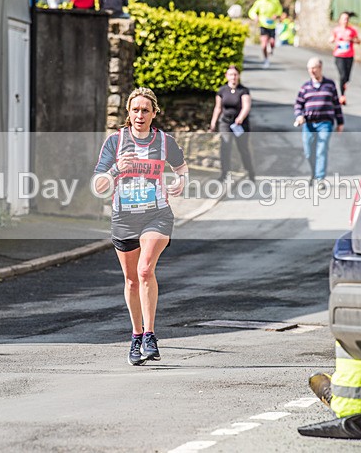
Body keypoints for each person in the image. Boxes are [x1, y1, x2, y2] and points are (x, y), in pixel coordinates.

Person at [93, 88, 188, 366]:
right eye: (135, 110)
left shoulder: (164, 141)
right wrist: (115, 170)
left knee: (145, 269)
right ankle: (136, 335)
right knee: (132, 280)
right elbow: (98, 187)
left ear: (154, 113)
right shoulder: (115, 142)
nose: (140, 115)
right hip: (124, 218)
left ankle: (150, 335)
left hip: (156, 215)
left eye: (146, 110)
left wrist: (181, 182)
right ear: (128, 113)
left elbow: (181, 168)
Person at [294, 57, 344, 191]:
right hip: (309, 124)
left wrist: (340, 122)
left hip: (325, 123)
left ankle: (320, 179)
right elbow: (298, 104)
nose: (311, 71)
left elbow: (336, 104)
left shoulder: (330, 85)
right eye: (309, 68)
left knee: (321, 150)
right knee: (308, 152)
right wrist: (299, 116)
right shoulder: (305, 87)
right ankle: (314, 173)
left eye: (314, 68)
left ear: (320, 68)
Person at [208, 65, 256, 182]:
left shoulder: (243, 90)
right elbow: (218, 108)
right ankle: (224, 174)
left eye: (235, 75)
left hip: (240, 124)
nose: (233, 77)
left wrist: (240, 118)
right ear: (226, 76)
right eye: (231, 75)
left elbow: (246, 106)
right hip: (225, 122)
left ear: (238, 76)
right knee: (225, 146)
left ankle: (250, 172)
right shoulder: (222, 91)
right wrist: (213, 122)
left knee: (243, 148)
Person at [247, 0, 283, 68]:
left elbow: (279, 10)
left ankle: (271, 48)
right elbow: (252, 11)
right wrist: (255, 17)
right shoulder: (259, 2)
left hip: (272, 25)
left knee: (272, 42)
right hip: (263, 25)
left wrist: (276, 15)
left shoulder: (275, 1)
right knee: (263, 45)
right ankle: (266, 59)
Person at [329, 11, 360, 105]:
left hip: (349, 56)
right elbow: (331, 39)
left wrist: (351, 39)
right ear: (340, 20)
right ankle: (342, 96)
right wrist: (333, 39)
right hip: (339, 56)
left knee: (347, 78)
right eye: (344, 19)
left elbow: (358, 41)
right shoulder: (336, 30)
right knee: (342, 76)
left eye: (347, 19)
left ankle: (344, 85)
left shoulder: (352, 31)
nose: (345, 21)